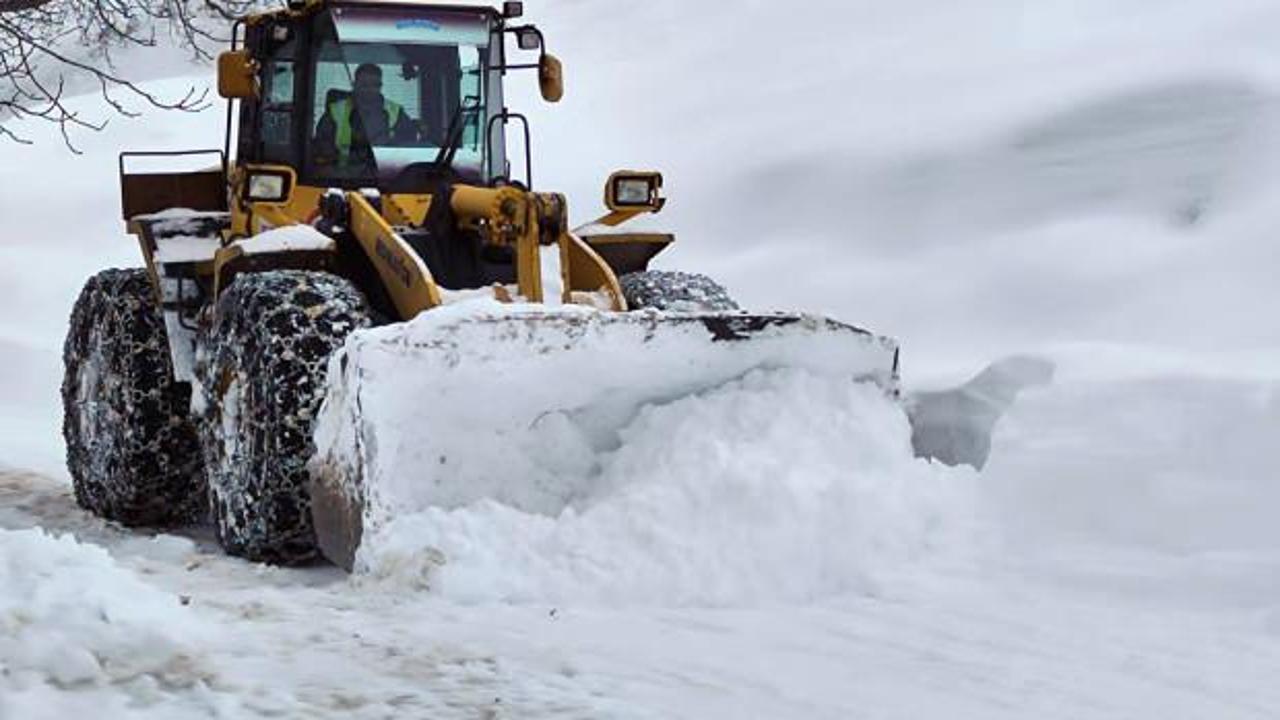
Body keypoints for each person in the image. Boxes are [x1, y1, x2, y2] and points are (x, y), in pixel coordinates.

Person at [313, 63, 419, 167]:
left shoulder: (396, 112)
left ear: (380, 86)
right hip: (341, 176)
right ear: (354, 85)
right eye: (364, 85)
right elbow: (322, 145)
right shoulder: (335, 111)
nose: (370, 89)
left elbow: (408, 145)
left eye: (375, 85)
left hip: (386, 175)